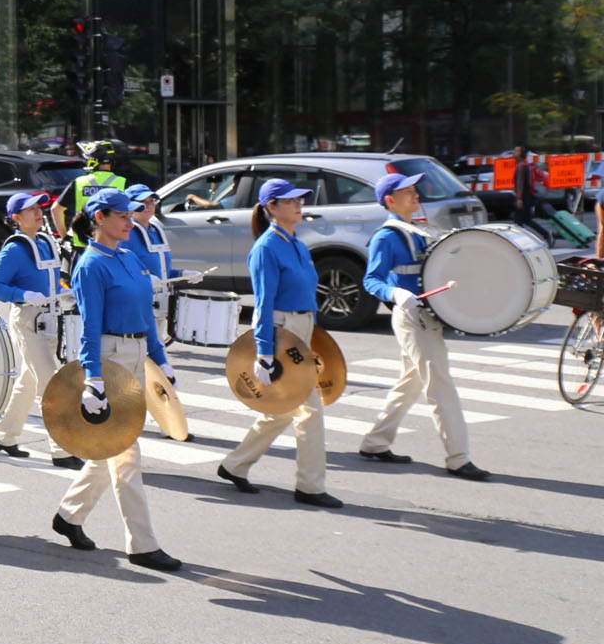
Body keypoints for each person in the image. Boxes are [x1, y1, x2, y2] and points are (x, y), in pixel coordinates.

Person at [48, 189, 183, 571]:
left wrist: (161, 360)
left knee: (113, 448)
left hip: (137, 355)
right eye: (123, 215)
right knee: (127, 456)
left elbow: (145, 313)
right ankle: (142, 544)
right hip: (109, 361)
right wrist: (93, 379)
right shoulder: (91, 265)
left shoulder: (129, 257)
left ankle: (69, 516)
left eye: (131, 214)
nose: (130, 220)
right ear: (100, 218)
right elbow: (88, 328)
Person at [217, 179, 341, 508]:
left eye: (300, 199)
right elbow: (263, 304)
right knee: (310, 411)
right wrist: (265, 353)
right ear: (272, 207)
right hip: (281, 329)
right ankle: (310, 487)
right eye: (290, 201)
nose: (299, 204)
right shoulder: (266, 248)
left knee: (283, 411)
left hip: (300, 326)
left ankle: (235, 465)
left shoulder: (296, 242)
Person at [359, 172, 488, 480]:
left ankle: (375, 443)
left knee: (412, 382)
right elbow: (371, 280)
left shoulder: (415, 229)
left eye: (416, 190)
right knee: (440, 385)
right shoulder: (386, 236)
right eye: (408, 192)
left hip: (425, 317)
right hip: (412, 318)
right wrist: (395, 293)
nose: (416, 195)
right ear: (390, 200)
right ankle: (458, 457)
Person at [0, 190, 81, 469]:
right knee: (51, 383)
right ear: (16, 218)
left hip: (50, 319)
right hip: (27, 320)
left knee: (29, 381)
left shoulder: (45, 241)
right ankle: (62, 450)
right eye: (31, 210)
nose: (39, 213)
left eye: (39, 208)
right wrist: (23, 294)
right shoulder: (14, 248)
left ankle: (4, 436)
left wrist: (66, 292)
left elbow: (53, 279)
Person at [120, 185, 199, 335]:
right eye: (144, 202)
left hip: (159, 303)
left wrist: (183, 273)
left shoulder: (155, 230)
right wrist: (144, 279)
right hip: (137, 305)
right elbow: (120, 270)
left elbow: (163, 271)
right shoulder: (126, 233)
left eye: (152, 201)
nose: (149, 206)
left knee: (156, 349)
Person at [51, 141, 128, 250]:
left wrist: (65, 238)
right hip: (113, 245)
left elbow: (55, 209)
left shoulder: (79, 183)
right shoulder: (122, 183)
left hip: (82, 244)